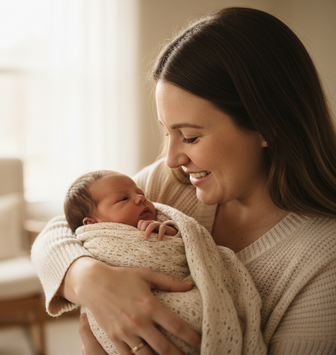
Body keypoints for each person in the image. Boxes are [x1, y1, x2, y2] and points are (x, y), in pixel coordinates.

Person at [31, 6, 336, 355]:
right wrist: (87, 280)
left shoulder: (324, 262)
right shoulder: (173, 184)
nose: (173, 157)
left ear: (267, 124)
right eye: (167, 133)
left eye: (189, 136)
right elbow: (59, 229)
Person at [63, 170, 265, 354]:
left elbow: (185, 251)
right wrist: (84, 275)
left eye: (140, 193)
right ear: (92, 224)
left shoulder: (159, 223)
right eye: (124, 198)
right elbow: (58, 234)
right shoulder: (94, 243)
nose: (141, 197)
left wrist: (170, 232)